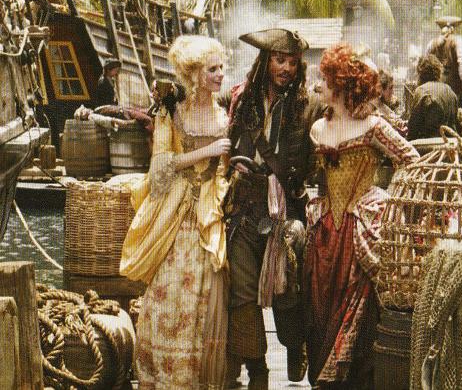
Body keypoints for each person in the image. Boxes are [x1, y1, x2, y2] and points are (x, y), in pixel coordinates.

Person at [305, 43, 419, 389]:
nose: (318, 86)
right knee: (320, 308)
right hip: (326, 231)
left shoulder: (373, 126)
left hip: (362, 226)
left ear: (341, 85)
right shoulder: (317, 128)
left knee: (362, 314)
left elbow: (411, 160)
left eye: (325, 80)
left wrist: (386, 200)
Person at [120, 35, 230, 389]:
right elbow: (160, 169)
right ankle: (164, 375)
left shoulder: (223, 114)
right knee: (168, 289)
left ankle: (197, 377)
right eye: (212, 69)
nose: (220, 74)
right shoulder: (173, 112)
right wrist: (207, 151)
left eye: (221, 68)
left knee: (205, 294)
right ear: (195, 75)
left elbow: (225, 169)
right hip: (178, 211)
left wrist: (224, 188)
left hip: (211, 211)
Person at [220, 28, 325, 389]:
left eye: (292, 62)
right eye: (280, 60)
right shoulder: (241, 99)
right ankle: (258, 371)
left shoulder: (309, 106)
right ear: (266, 61)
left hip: (286, 213)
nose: (286, 68)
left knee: (287, 294)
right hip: (244, 210)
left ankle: (295, 347)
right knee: (242, 295)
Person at [405, 54, 459, 141]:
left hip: (429, 143)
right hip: (450, 141)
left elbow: (413, 126)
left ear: (420, 73)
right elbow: (455, 122)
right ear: (439, 71)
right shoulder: (449, 90)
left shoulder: (421, 91)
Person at [426, 16, 462, 99]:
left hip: (434, 87)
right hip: (453, 88)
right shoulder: (458, 42)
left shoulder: (431, 43)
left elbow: (425, 63)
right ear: (453, 29)